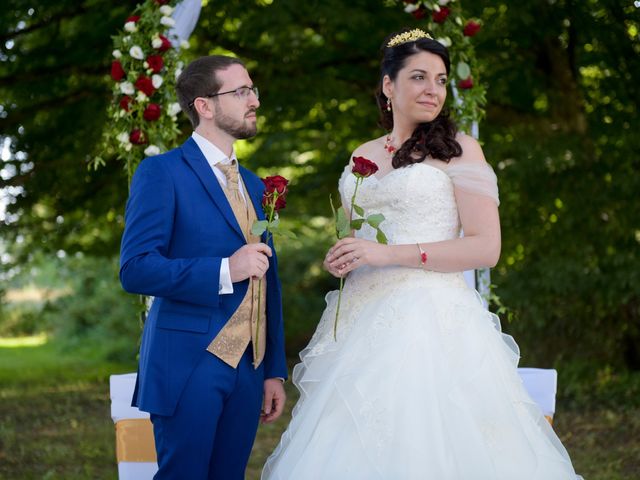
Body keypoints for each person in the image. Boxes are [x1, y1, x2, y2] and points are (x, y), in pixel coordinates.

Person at [262, 29, 582, 479]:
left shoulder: (460, 151)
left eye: (441, 79)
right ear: (388, 86)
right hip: (360, 320)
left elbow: (485, 247)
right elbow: (362, 240)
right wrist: (346, 256)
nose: (433, 89)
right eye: (419, 77)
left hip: (431, 317)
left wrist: (384, 255)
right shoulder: (363, 156)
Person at [120, 55, 287, 480]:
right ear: (205, 105)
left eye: (253, 90)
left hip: (249, 368)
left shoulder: (255, 185)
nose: (255, 100)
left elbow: (270, 280)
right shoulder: (161, 172)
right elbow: (136, 268)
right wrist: (224, 270)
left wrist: (273, 371)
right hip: (188, 362)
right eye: (241, 92)